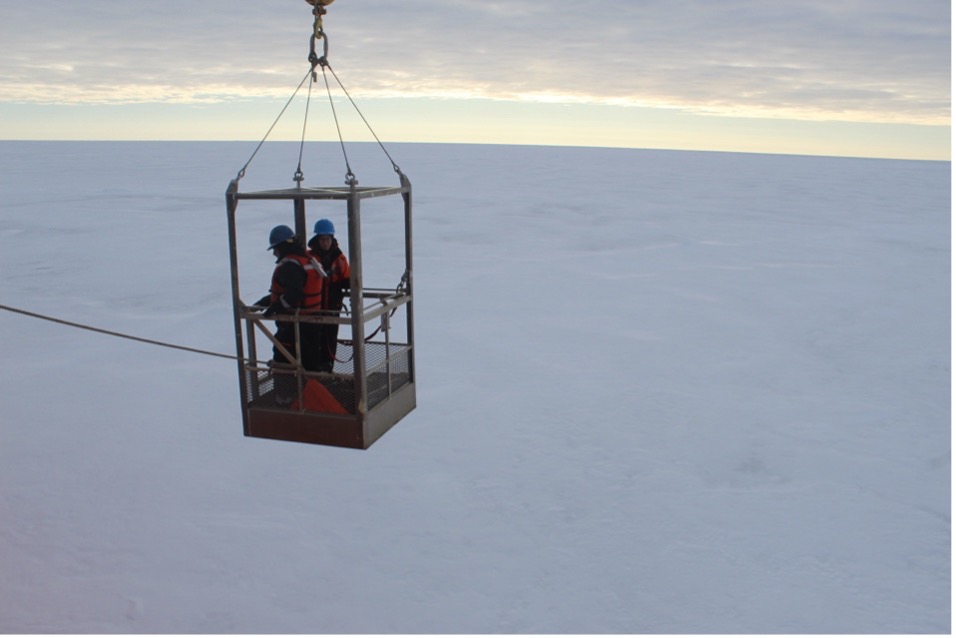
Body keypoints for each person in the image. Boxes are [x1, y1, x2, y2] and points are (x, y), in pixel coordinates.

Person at [254, 225, 324, 375]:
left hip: (294, 327)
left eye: (275, 249)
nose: (274, 253)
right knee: (309, 364)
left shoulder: (290, 266)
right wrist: (264, 302)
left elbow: (293, 294)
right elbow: (295, 292)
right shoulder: (306, 260)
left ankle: (285, 397)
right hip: (310, 324)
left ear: (282, 247)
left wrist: (275, 308)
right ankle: (311, 395)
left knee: (284, 363)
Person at [307, 218, 351, 372]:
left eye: (327, 239)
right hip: (314, 306)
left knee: (330, 337)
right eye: (322, 239)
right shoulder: (310, 257)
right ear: (317, 239)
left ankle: (328, 368)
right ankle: (314, 370)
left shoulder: (339, 258)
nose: (325, 242)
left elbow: (347, 277)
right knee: (313, 338)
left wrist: (346, 283)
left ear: (332, 239)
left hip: (332, 305)